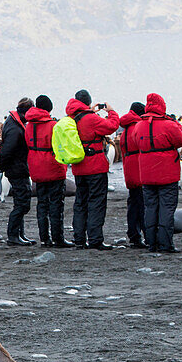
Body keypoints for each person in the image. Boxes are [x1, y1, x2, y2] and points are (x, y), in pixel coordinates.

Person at [66, 89, 120, 250]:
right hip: (95, 166)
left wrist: (90, 111)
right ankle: (95, 239)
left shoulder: (71, 118)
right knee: (96, 202)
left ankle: (79, 239)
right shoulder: (90, 118)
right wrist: (111, 111)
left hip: (78, 167)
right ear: (88, 102)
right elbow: (112, 126)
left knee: (80, 202)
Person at [132, 93, 182, 253]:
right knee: (166, 208)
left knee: (150, 208)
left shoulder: (138, 125)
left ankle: (151, 243)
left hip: (147, 174)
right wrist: (175, 122)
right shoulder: (168, 124)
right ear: (162, 106)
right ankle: (165, 244)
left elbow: (136, 142)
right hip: (167, 174)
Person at [24, 95, 70, 247]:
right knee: (56, 204)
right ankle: (58, 238)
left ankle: (44, 238)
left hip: (36, 167)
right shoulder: (53, 125)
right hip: (53, 166)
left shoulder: (29, 125)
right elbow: (60, 145)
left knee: (42, 203)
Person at [0, 97, 34, 245]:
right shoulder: (15, 127)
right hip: (17, 169)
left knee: (20, 201)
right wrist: (4, 166)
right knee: (22, 203)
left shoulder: (14, 122)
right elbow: (7, 150)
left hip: (17, 168)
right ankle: (13, 236)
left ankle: (20, 234)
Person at [117, 102, 146, 247]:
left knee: (133, 203)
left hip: (129, 170)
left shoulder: (125, 130)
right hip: (140, 170)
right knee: (142, 204)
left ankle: (134, 234)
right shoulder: (138, 127)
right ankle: (144, 234)